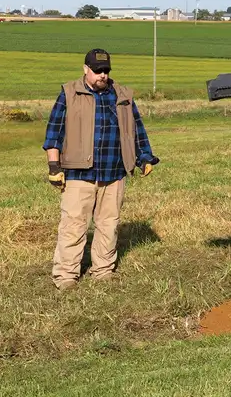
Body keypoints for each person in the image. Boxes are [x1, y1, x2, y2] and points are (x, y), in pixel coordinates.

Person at [41, 48, 160, 291]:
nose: (102, 75)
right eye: (97, 71)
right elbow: (54, 132)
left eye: (106, 71)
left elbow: (136, 129)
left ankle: (103, 270)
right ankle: (66, 275)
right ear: (85, 69)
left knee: (108, 223)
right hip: (78, 172)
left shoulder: (122, 95)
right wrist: (54, 166)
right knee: (73, 225)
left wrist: (144, 157)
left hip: (114, 171)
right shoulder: (69, 93)